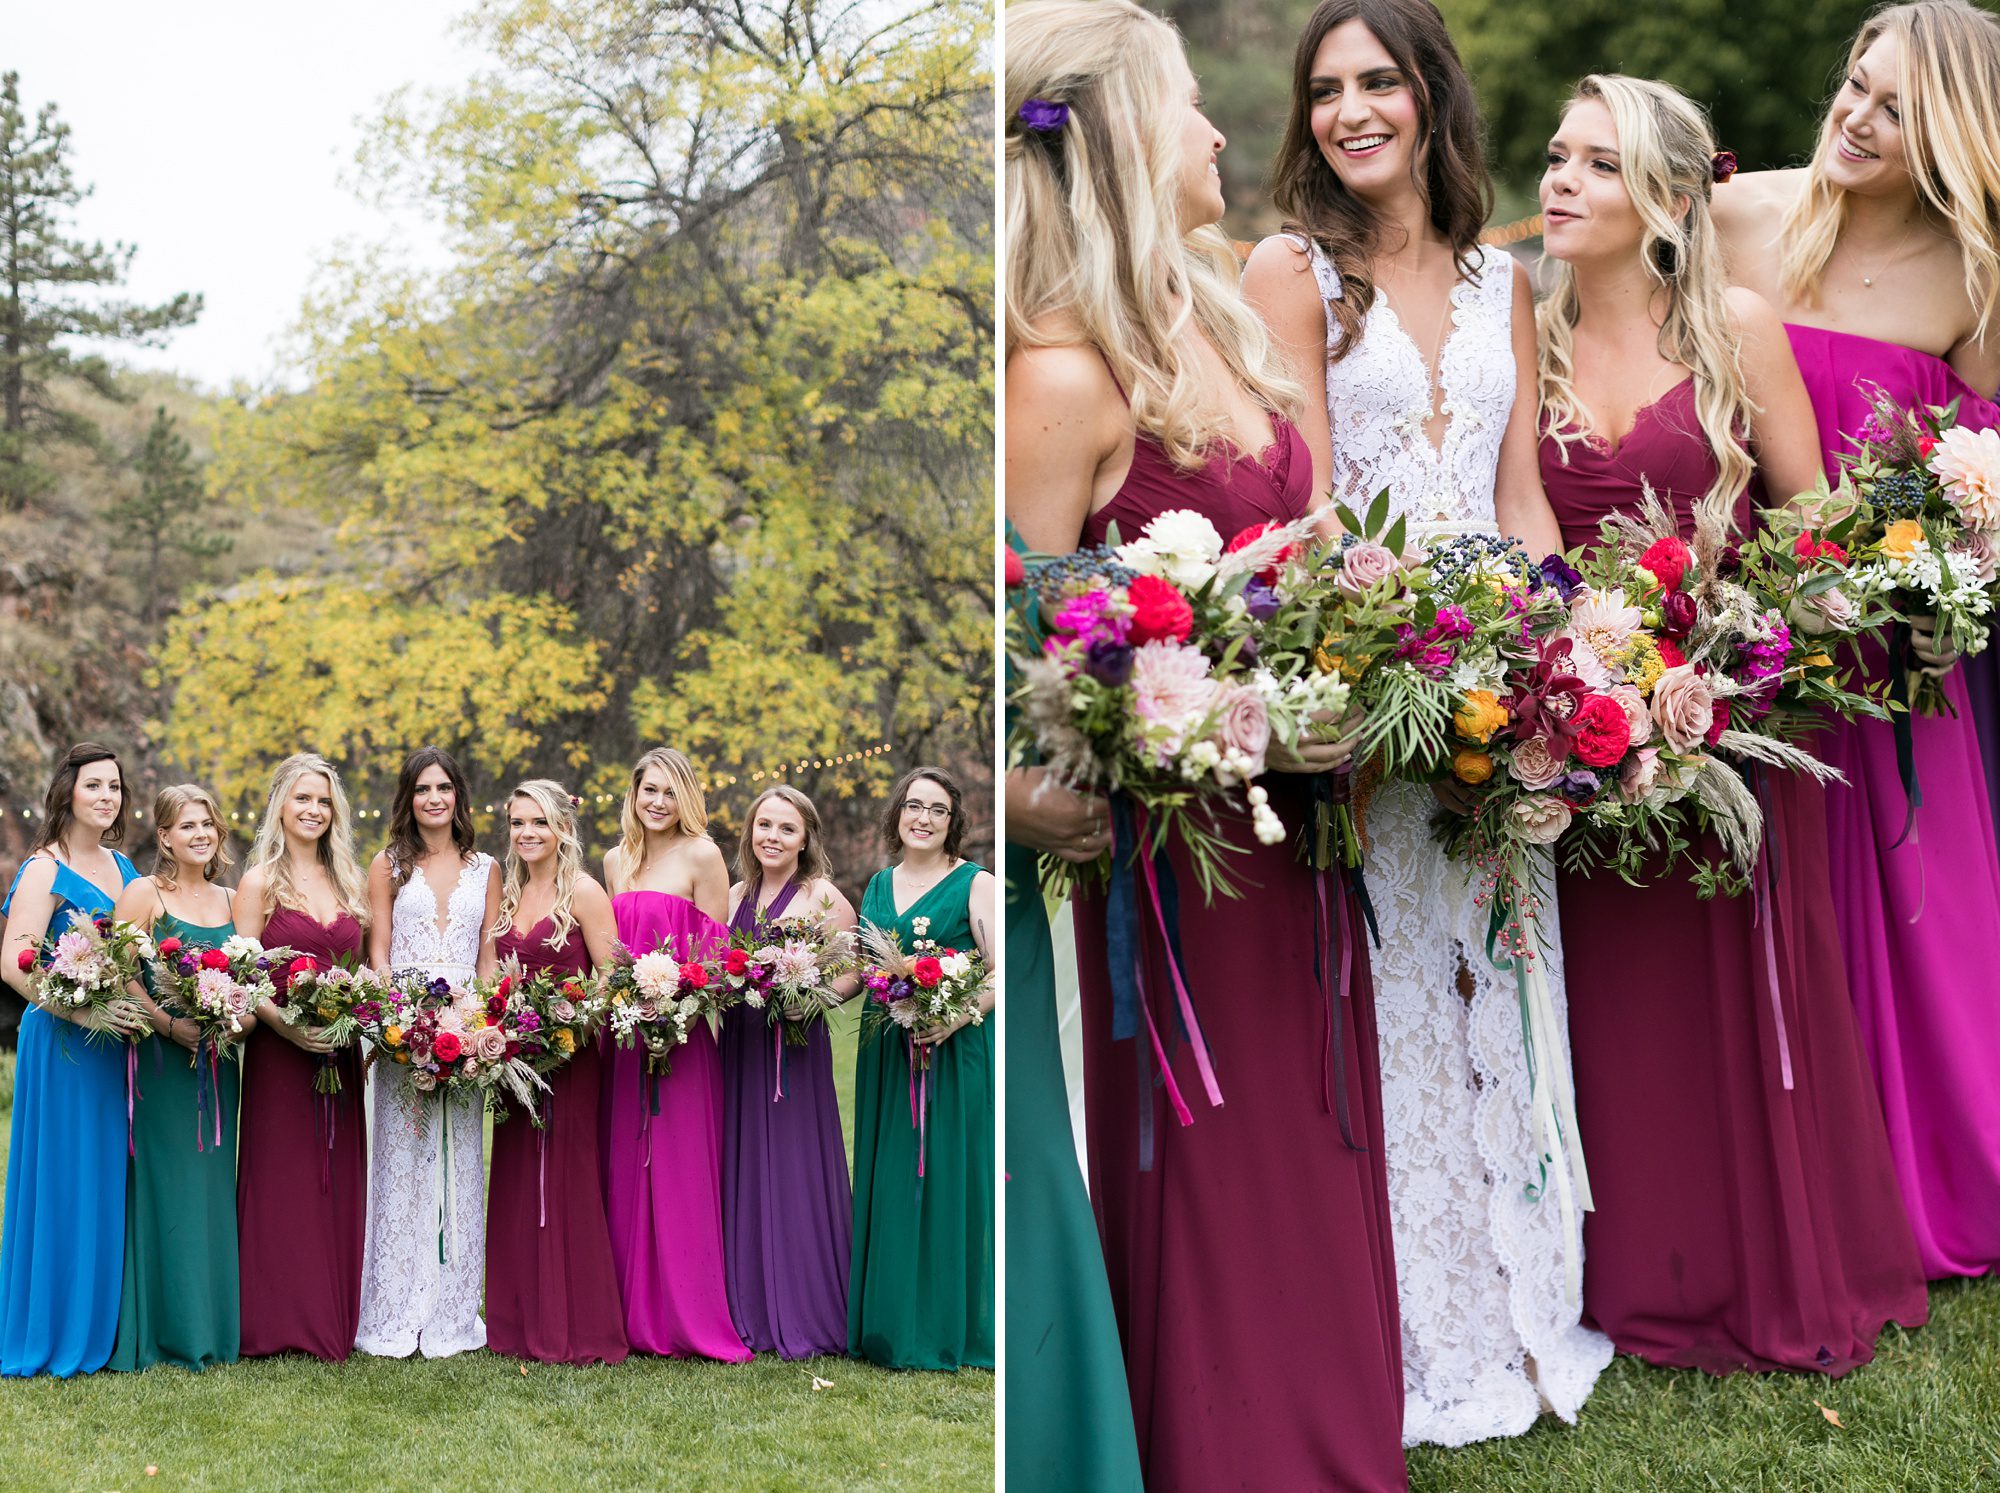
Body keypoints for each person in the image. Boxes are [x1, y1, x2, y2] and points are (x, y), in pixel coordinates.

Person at [1008, 5, 1403, 1477]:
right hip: (1188, 866)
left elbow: (1290, 540)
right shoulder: (1058, 374)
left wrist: (1358, 645)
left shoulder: (1218, 307)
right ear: (1120, 136)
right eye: (1191, 106)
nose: (1223, 132)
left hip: (1310, 819)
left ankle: (1341, 1434)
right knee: (1232, 1156)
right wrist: (1209, 721)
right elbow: (1031, 657)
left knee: (1320, 1127)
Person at [1242, 0, 1607, 1446]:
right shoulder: (1295, 273)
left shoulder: (1498, 273)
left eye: (1378, 80)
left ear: (1428, 93)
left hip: (1501, 688)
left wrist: (1559, 660)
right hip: (1381, 689)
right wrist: (1389, 653)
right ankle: (1422, 1331)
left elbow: (1518, 499)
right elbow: (1308, 502)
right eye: (1327, 89)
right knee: (1400, 998)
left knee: (1510, 974)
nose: (1351, 110)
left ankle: (1530, 1316)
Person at [1537, 71, 1930, 1373]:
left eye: (1595, 164)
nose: (1559, 181)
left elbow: (1812, 529)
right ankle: (1626, 1271)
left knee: (1725, 1005)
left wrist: (1722, 647)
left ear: (1658, 192)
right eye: (1554, 156)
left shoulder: (1735, 327)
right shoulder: (1517, 339)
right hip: (1574, 732)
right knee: (1613, 1011)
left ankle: (1754, 1263)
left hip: (1725, 722)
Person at [1713, 0, 2000, 1280]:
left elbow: (1983, 471)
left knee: (1917, 920)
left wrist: (1940, 564)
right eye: (1850, 83)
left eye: (1892, 105)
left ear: (1952, 134)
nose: (1851, 114)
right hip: (1731, 639)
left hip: (1886, 660)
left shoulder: (1973, 278)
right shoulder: (1734, 216)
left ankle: (1928, 1172)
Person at [0, 744, 146, 1377]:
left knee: (104, 1179)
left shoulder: (122, 864)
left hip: (112, 1046)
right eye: (95, 785)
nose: (107, 796)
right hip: (61, 1044)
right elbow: (14, 961)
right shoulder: (43, 869)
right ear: (68, 791)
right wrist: (82, 1013)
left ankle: (102, 1325)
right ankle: (49, 1325)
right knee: (61, 1179)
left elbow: (138, 953)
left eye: (114, 786)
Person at [600, 748, 750, 1362]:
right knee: (626, 1164)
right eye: (647, 790)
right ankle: (628, 1311)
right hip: (625, 1036)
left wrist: (678, 1007)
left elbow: (717, 956)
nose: (656, 801)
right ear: (632, 795)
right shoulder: (615, 860)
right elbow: (610, 951)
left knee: (681, 1168)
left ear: (684, 796)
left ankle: (688, 1311)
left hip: (684, 1037)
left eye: (668, 791)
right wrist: (628, 1003)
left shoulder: (703, 855)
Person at [849, 767, 995, 1371]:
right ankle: (885, 1323)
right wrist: (795, 987)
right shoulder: (878, 885)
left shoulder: (974, 883)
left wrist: (957, 1016)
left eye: (937, 809)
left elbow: (998, 970)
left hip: (949, 1049)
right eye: (914, 806)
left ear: (953, 821)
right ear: (898, 814)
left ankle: (943, 1324)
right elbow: (861, 969)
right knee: (890, 1174)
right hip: (886, 1051)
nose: (924, 818)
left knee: (943, 1177)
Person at [355, 747, 498, 1358]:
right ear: (407, 799)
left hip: (465, 1031)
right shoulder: (387, 865)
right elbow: (379, 950)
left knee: (459, 1162)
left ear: (459, 796)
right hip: (404, 1032)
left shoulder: (487, 867)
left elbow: (488, 954)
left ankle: (451, 1308)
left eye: (444, 788)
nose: (434, 799)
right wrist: (398, 1021)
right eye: (422, 789)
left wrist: (483, 1022)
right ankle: (392, 1306)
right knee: (400, 1160)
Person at [484, 780, 629, 1364]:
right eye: (518, 823)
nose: (527, 833)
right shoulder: (508, 893)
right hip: (517, 1061)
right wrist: (502, 1024)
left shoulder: (587, 893)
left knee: (567, 1178)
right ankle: (517, 1320)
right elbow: (493, 978)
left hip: (571, 1060)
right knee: (518, 1177)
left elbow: (610, 976)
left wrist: (566, 1026)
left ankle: (578, 1322)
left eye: (538, 822)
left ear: (563, 826)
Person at [233, 752, 371, 1361]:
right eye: (302, 800)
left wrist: (353, 1020)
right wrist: (287, 1029)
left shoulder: (352, 881)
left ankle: (328, 1316)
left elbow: (364, 970)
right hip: (278, 1054)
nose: (313, 811)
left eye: (322, 801)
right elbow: (243, 972)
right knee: (282, 1178)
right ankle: (271, 1321)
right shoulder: (259, 882)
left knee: (333, 1175)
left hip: (337, 1054)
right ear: (280, 808)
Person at [107, 783, 249, 1371]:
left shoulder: (232, 899)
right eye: (187, 825)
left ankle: (208, 1329)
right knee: (164, 1190)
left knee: (210, 1193)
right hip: (162, 1067)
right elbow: (117, 973)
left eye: (208, 824)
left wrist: (236, 1018)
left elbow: (248, 973)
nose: (200, 834)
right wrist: (168, 1024)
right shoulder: (144, 893)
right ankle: (159, 1333)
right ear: (163, 835)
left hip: (218, 1066)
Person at [718, 786, 857, 1359]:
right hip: (739, 1048)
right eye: (764, 826)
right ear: (750, 832)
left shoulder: (823, 896)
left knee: (795, 1167)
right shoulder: (731, 895)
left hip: (794, 1049)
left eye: (786, 828)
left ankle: (806, 1305)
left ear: (806, 839)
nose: (772, 837)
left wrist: (815, 993)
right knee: (742, 1164)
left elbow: (854, 971)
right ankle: (743, 1301)